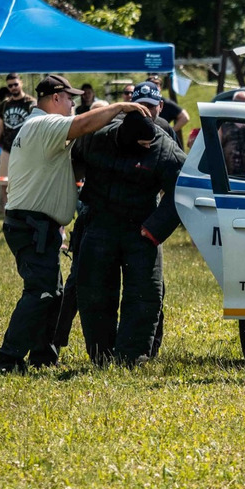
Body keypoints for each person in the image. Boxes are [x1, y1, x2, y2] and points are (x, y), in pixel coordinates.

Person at [0, 74, 151, 373]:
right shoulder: (44, 124)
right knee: (41, 292)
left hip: (35, 225)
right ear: (55, 98)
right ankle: (7, 359)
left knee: (53, 293)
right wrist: (119, 107)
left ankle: (42, 356)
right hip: (32, 225)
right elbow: (83, 126)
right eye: (70, 99)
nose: (74, 104)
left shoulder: (38, 127)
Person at [76, 80, 186, 365]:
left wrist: (154, 229)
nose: (145, 113)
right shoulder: (99, 135)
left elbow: (183, 190)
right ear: (127, 108)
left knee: (144, 295)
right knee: (94, 292)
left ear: (160, 107)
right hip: (100, 225)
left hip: (141, 230)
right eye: (139, 107)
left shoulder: (164, 147)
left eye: (150, 107)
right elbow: (71, 158)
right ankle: (101, 355)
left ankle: (132, 356)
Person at [0, 73, 36, 202]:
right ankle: (7, 214)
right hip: (7, 149)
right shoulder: (5, 105)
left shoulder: (31, 103)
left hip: (26, 150)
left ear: (21, 83)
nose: (13, 87)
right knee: (5, 183)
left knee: (26, 183)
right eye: (10, 86)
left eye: (15, 84)